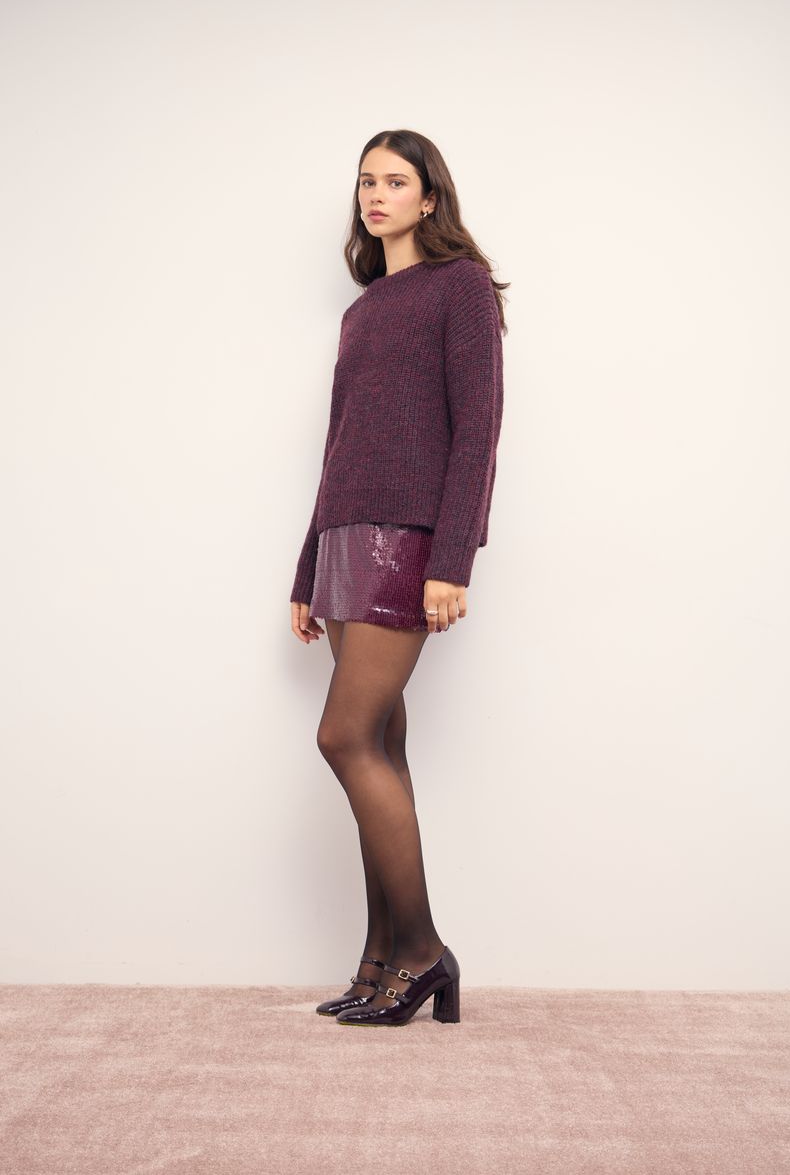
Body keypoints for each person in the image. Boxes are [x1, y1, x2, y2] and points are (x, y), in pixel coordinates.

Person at [288, 129, 507, 1027]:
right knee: (381, 746)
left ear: (430, 197)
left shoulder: (460, 287)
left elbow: (478, 428)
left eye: (396, 181)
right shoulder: (364, 309)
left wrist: (451, 561)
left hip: (405, 542)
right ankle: (379, 958)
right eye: (366, 182)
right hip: (345, 538)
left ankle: (422, 952)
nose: (376, 195)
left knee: (343, 737)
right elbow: (338, 446)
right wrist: (308, 566)